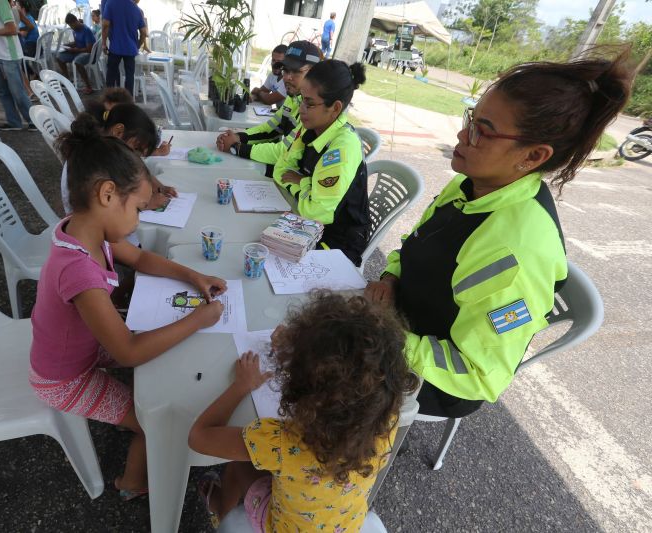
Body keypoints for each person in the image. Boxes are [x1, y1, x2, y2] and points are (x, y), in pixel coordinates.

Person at [364, 50, 633, 419]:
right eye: (471, 119)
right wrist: (391, 276)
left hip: (436, 379)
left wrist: (385, 335)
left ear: (534, 155)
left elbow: (476, 374)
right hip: (399, 322)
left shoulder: (513, 251)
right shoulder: (470, 186)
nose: (462, 134)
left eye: (482, 131)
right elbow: (415, 245)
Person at [30, 113, 226, 500]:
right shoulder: (79, 271)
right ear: (106, 194)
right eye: (137, 208)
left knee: (164, 358)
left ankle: (124, 415)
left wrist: (193, 277)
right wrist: (198, 319)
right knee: (156, 422)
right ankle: (131, 483)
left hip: (81, 345)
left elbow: (139, 259)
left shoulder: (85, 228)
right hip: (64, 377)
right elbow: (129, 351)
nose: (140, 217)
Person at [188, 291, 418, 531]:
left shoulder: (282, 443)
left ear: (306, 391)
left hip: (284, 527)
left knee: (237, 465)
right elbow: (352, 374)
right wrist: (299, 349)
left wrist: (241, 386)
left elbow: (198, 437)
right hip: (344, 523)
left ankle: (220, 508)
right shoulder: (384, 417)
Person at [273, 59, 369, 266]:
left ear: (334, 108)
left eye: (309, 103)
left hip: (336, 243)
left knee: (269, 260)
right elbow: (281, 171)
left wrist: (302, 182)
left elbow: (315, 211)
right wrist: (305, 186)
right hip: (304, 221)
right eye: (301, 99)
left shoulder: (342, 148)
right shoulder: (312, 128)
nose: (301, 109)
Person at [216, 41, 321, 177]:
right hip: (288, 176)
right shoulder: (293, 98)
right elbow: (271, 129)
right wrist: (238, 137)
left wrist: (237, 147)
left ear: (314, 73)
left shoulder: (315, 109)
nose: (287, 77)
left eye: (296, 71)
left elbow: (284, 151)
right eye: (286, 70)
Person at [60, 101, 176, 215]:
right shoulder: (93, 160)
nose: (135, 157)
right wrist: (146, 204)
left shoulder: (108, 148)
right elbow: (102, 206)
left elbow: (138, 169)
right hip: (85, 223)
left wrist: (160, 187)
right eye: (135, 148)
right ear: (118, 131)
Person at [0, 0, 34, 131]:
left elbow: (12, 29)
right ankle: (14, 122)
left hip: (9, 54)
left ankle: (34, 121)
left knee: (17, 91)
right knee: (2, 91)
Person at [101, 0, 146, 94]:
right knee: (130, 75)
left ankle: (110, 99)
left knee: (111, 74)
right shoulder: (136, 9)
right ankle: (128, 101)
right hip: (131, 49)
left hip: (115, 48)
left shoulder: (110, 3)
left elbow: (105, 25)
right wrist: (137, 46)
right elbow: (143, 32)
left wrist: (104, 43)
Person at [56, 12, 96, 94]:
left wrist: (76, 50)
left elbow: (89, 49)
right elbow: (77, 42)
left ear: (75, 21)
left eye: (71, 25)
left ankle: (88, 86)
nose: (71, 27)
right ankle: (68, 80)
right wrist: (67, 45)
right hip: (79, 51)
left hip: (89, 54)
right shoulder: (75, 30)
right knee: (59, 57)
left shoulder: (86, 30)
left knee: (78, 61)